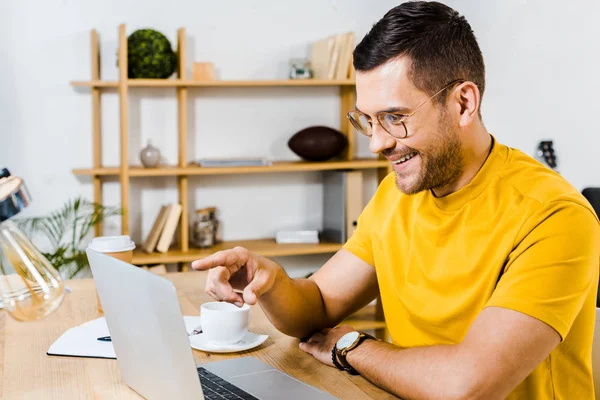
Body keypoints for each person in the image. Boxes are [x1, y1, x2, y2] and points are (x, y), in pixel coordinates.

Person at [192, 1, 600, 398]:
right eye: (367, 120)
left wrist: (351, 348)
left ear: (463, 103)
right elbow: (316, 306)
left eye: (394, 117)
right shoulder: (398, 193)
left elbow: (467, 387)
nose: (376, 143)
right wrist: (271, 281)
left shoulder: (554, 217)